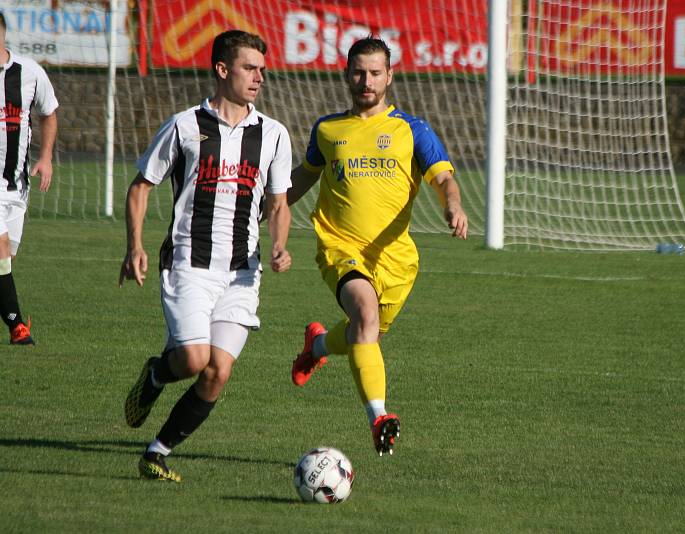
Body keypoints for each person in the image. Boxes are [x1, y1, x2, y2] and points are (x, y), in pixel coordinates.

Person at [119, 30, 292, 482]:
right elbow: (141, 187)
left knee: (218, 373)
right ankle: (157, 374)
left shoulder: (273, 134)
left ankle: (156, 453)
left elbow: (279, 202)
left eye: (262, 68)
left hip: (242, 273)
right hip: (188, 265)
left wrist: (279, 243)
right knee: (194, 361)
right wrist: (134, 245)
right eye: (249, 67)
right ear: (222, 70)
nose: (260, 76)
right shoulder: (184, 126)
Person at [287, 36, 468, 456]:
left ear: (389, 76)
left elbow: (443, 178)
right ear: (346, 73)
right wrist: (263, 207)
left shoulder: (412, 130)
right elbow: (304, 176)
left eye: (374, 73)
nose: (365, 81)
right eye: (358, 72)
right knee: (365, 315)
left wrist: (453, 206)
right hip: (340, 245)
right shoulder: (328, 129)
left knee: (363, 333)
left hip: (395, 260)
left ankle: (314, 347)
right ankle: (379, 417)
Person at [0, 13, 58, 345]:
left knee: (6, 262)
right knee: (1, 250)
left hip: (17, 187)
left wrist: (46, 157)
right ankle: (17, 327)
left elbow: (49, 112)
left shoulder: (30, 73)